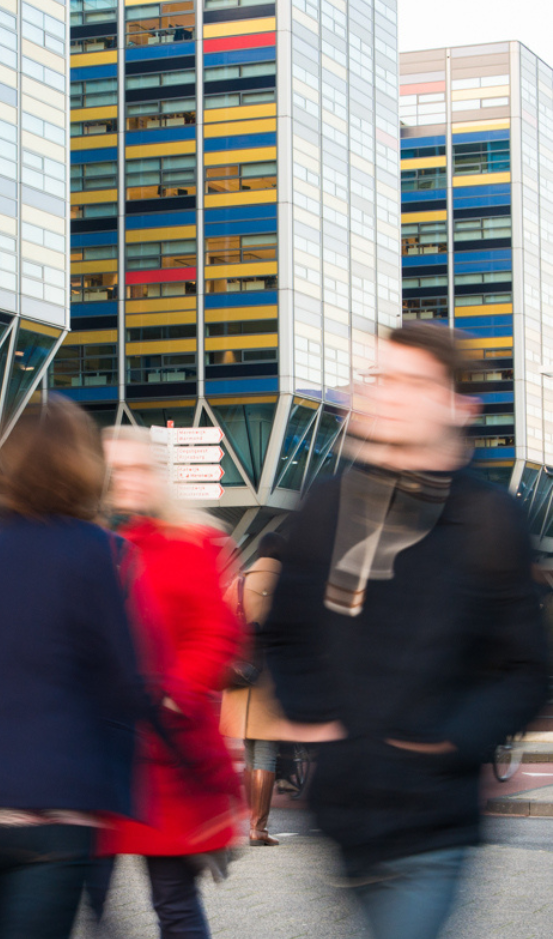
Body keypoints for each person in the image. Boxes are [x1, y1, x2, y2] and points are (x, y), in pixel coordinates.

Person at [263, 322, 549, 939]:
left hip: (433, 820)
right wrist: (310, 713)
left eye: (409, 382)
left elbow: (525, 668)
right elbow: (285, 632)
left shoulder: (488, 518)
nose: (386, 394)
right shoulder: (328, 503)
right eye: (380, 378)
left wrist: (450, 740)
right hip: (341, 813)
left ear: (458, 406)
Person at [0, 397, 152, 939]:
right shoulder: (95, 552)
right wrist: (174, 764)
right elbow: (123, 679)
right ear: (83, 465)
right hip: (55, 810)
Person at [100, 426, 243, 939]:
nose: (127, 481)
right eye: (117, 471)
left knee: (173, 901)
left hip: (167, 750)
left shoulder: (193, 542)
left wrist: (172, 693)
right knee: (88, 900)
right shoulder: (107, 547)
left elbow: (218, 633)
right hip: (111, 751)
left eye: (137, 468)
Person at [219, 531, 288, 846]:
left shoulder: (239, 583)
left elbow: (219, 624)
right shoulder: (289, 586)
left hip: (239, 675)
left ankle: (251, 823)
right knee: (267, 754)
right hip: (273, 679)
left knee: (250, 752)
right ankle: (258, 828)